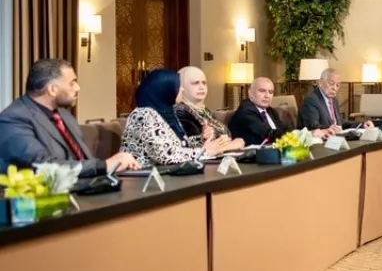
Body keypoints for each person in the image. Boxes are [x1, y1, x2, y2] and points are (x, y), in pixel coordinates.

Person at [0, 58, 139, 176]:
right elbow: (44, 167)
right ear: (52, 89)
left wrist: (114, 166)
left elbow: (83, 160)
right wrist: (105, 165)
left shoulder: (64, 115)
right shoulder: (13, 119)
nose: (78, 88)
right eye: (72, 83)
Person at [122, 69, 238, 167]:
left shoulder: (166, 112)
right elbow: (167, 156)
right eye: (178, 86)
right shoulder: (144, 115)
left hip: (168, 175)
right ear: (165, 89)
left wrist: (201, 139)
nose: (182, 90)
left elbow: (179, 145)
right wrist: (205, 151)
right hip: (142, 178)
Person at [299, 68, 373, 132]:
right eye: (331, 83)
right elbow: (312, 126)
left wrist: (362, 125)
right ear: (321, 82)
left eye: (337, 85)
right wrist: (331, 128)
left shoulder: (334, 100)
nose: (335, 88)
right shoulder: (311, 99)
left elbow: (340, 123)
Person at [175, 66, 233, 141]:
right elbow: (194, 144)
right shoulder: (180, 111)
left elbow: (225, 134)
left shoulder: (203, 109)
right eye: (195, 83)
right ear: (182, 85)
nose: (201, 87)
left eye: (204, 83)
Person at [228, 77, 287, 145]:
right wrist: (291, 137)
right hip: (253, 151)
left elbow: (284, 129)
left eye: (271, 92)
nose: (267, 96)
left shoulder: (271, 111)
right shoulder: (245, 111)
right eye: (262, 91)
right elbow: (268, 134)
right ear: (250, 93)